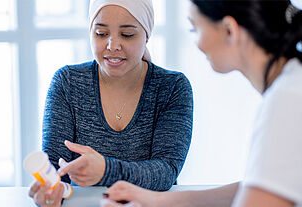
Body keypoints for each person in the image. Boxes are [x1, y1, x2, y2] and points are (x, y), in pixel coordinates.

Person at [101, 0, 302, 207]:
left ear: (229, 30)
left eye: (195, 29)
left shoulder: (290, 101)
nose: (198, 45)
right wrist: (160, 201)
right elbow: (262, 185)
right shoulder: (297, 84)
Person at [28, 0, 194, 206]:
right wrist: (51, 189)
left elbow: (166, 171)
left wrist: (105, 171)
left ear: (147, 35)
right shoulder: (67, 82)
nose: (112, 45)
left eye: (127, 35)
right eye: (101, 34)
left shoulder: (172, 87)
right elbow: (53, 166)